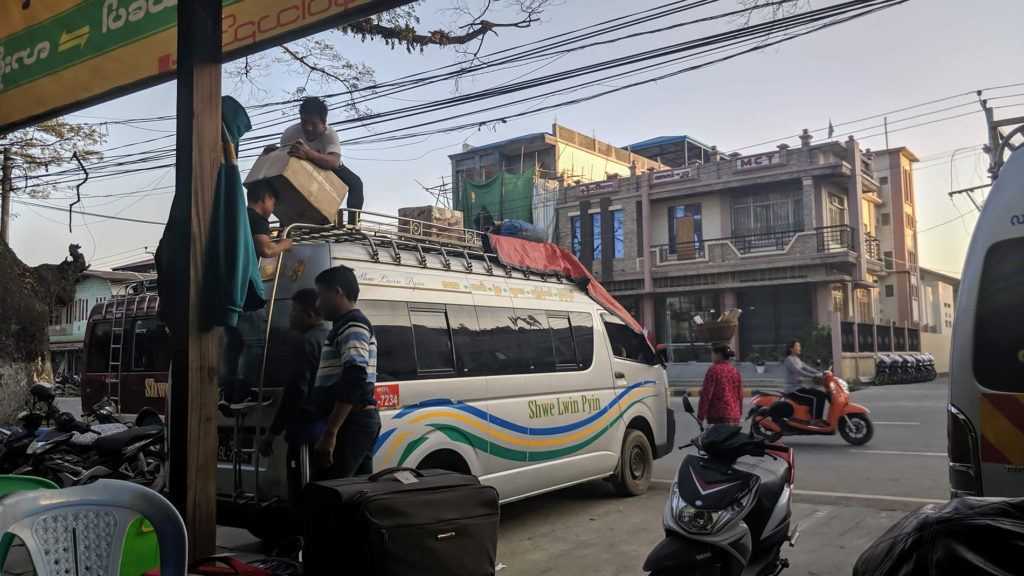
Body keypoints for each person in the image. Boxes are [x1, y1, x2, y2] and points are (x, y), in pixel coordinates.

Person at [257, 289, 329, 532]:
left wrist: (273, 431)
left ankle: (303, 544)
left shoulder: (305, 343)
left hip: (306, 429)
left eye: (295, 311)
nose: (290, 316)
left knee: (301, 491)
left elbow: (296, 392)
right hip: (321, 426)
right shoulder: (326, 337)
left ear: (310, 315)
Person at [311, 265, 381, 479]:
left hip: (352, 423)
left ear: (337, 292)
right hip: (355, 421)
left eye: (320, 295)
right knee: (353, 497)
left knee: (328, 496)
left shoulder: (353, 324)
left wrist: (331, 432)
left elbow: (355, 377)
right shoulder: (345, 325)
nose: (317, 303)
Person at [263, 97, 364, 226]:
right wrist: (274, 154)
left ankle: (352, 225)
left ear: (324, 123)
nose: (308, 128)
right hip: (301, 166)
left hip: (326, 165)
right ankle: (285, 227)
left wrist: (309, 154)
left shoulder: (330, 134)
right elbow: (284, 162)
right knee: (283, 186)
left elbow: (334, 161)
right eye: (304, 122)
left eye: (313, 124)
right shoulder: (290, 133)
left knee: (356, 183)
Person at [783, 340, 828, 427]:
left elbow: (806, 368)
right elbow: (798, 371)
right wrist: (813, 376)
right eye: (797, 346)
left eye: (799, 346)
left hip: (800, 387)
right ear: (792, 349)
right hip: (793, 389)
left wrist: (822, 373)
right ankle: (814, 421)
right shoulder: (789, 360)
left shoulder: (797, 359)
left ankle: (817, 418)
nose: (800, 348)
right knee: (816, 397)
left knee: (822, 395)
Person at [696, 344, 743, 426]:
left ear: (719, 355)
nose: (711, 356)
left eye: (712, 353)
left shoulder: (713, 370)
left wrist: (700, 416)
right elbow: (740, 394)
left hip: (718, 417)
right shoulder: (735, 371)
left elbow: (706, 395)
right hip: (734, 417)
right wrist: (739, 412)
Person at [247, 186, 293, 259]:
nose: (273, 209)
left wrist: (277, 244)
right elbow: (266, 250)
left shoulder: (242, 216)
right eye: (273, 203)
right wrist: (284, 245)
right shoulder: (259, 220)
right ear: (267, 198)